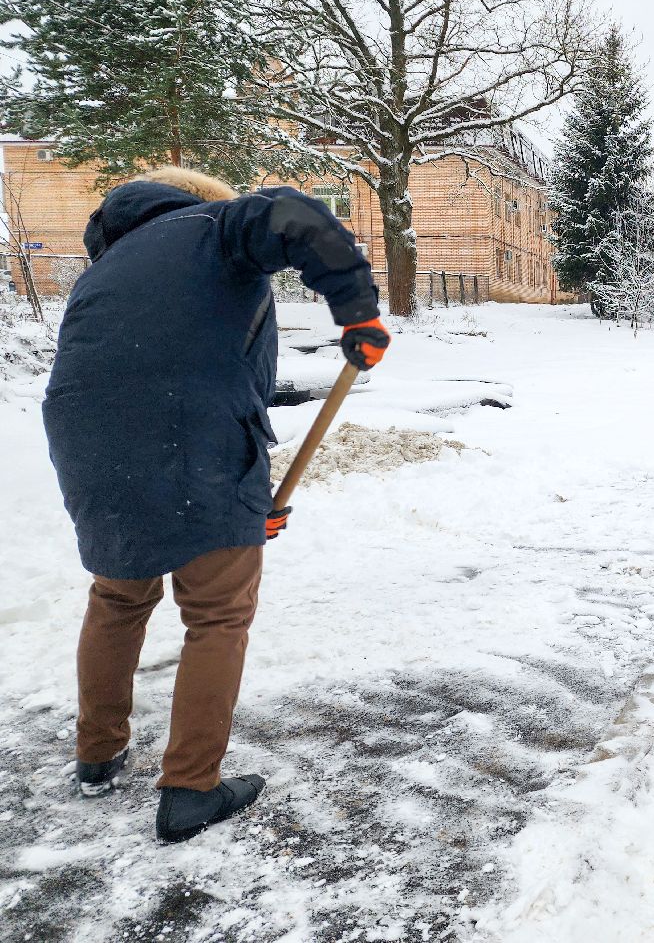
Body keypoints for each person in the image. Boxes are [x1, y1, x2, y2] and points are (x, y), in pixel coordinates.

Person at [43, 167, 390, 843]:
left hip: (89, 445)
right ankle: (191, 788)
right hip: (190, 431)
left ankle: (97, 752)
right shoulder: (214, 226)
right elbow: (292, 214)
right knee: (219, 612)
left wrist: (243, 503)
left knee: (118, 598)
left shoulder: (107, 270)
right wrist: (358, 310)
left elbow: (159, 369)